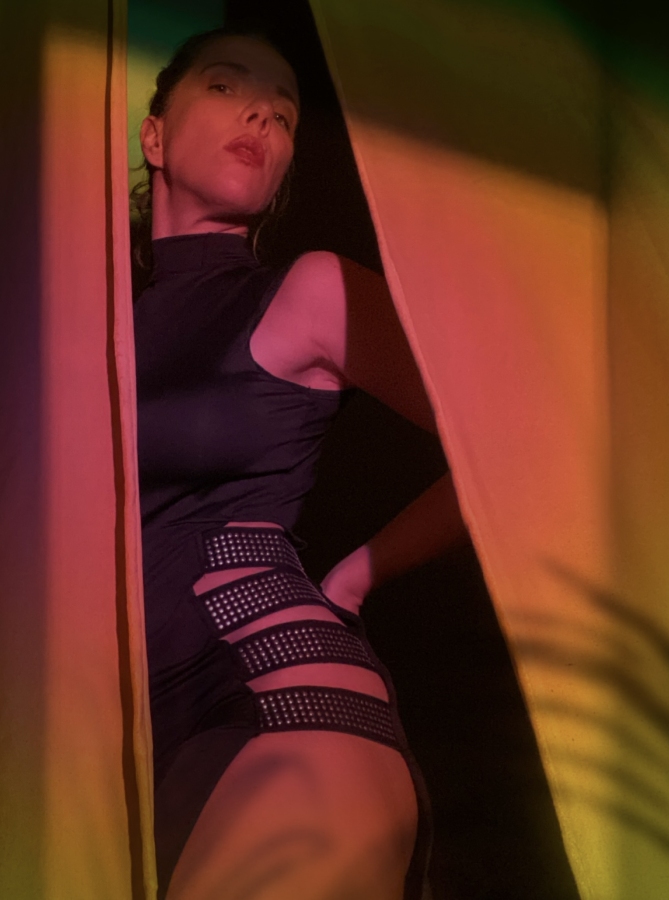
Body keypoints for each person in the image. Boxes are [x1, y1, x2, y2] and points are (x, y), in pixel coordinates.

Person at [133, 27, 467, 900]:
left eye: (283, 114)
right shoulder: (90, 326)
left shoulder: (308, 289)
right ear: (154, 136)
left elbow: (512, 446)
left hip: (284, 698)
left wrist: (351, 579)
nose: (262, 114)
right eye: (227, 86)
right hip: (134, 744)